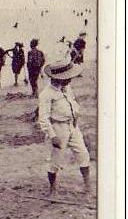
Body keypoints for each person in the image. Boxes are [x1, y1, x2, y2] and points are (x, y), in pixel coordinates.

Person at [37, 56, 91, 196]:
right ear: (57, 78)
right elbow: (43, 118)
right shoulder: (46, 94)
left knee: (83, 153)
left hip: (72, 125)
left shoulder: (66, 88)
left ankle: (87, 185)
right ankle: (53, 189)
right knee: (55, 160)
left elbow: (73, 102)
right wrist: (52, 135)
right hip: (58, 127)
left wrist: (76, 115)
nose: (69, 80)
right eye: (67, 77)